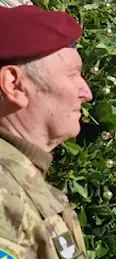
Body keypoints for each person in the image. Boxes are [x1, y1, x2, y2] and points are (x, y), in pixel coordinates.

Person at [0, 5, 93, 259]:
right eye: (73, 74)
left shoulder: (21, 181)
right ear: (14, 84)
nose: (87, 93)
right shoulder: (5, 198)